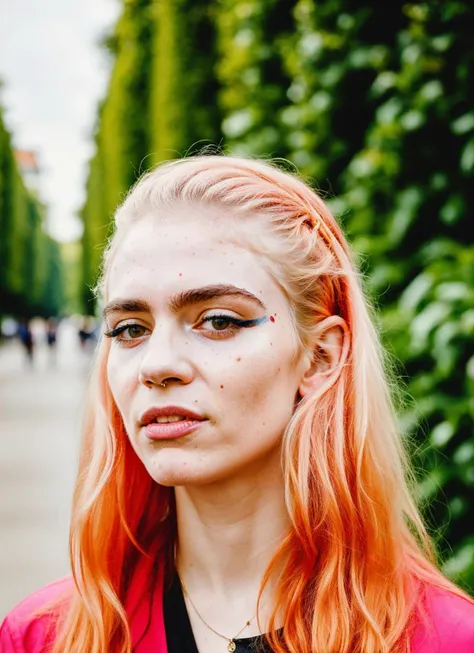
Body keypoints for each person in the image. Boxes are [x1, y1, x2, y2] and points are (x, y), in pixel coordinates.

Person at [1, 155, 473, 653]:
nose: (156, 365)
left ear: (319, 358)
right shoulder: (41, 638)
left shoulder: (444, 640)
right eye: (130, 329)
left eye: (219, 321)